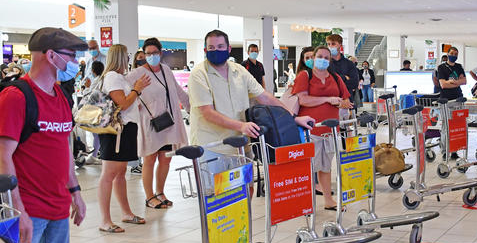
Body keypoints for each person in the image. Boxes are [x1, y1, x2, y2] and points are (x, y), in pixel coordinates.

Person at [0, 27, 96, 243]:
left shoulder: (60, 96)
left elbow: (64, 149)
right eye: (71, 55)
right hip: (28, 208)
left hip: (57, 205)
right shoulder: (16, 97)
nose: (75, 62)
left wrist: (75, 191)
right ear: (50, 55)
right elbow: (4, 156)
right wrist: (18, 210)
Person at [187, 30, 313, 163]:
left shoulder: (239, 71)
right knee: (217, 184)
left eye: (220, 47)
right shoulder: (199, 74)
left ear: (228, 49)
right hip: (213, 149)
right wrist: (241, 126)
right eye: (211, 48)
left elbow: (265, 97)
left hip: (241, 146)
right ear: (205, 50)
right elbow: (207, 112)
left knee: (247, 184)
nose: (216, 50)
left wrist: (292, 118)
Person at [128, 38, 190, 210]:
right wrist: (136, 99)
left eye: (155, 53)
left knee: (165, 160)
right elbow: (126, 95)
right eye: (148, 54)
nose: (152, 56)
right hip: (150, 124)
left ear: (160, 53)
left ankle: (160, 192)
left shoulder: (166, 70)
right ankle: (149, 197)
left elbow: (178, 92)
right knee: (149, 159)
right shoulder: (137, 74)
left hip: (168, 122)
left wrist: (192, 108)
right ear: (144, 54)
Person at [97, 44, 151, 233]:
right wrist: (137, 90)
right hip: (115, 132)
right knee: (109, 174)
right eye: (126, 56)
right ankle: (105, 220)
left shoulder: (119, 78)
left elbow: (128, 103)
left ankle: (126, 212)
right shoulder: (112, 77)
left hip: (126, 130)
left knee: (120, 173)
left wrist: (135, 94)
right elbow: (123, 104)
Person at [292, 46, 352, 209]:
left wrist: (342, 103)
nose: (323, 60)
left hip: (331, 131)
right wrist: (327, 99)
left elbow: (345, 99)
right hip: (311, 130)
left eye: (326, 57)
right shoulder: (305, 75)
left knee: (326, 167)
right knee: (307, 167)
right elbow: (303, 100)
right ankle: (304, 202)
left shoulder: (335, 77)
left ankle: (328, 200)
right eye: (320, 56)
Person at [326, 34, 359, 105]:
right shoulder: (325, 64)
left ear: (340, 45)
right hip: (330, 103)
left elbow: (354, 83)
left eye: (333, 44)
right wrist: (344, 77)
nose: (330, 46)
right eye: (328, 44)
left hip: (347, 103)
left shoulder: (349, 64)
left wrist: (334, 81)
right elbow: (325, 83)